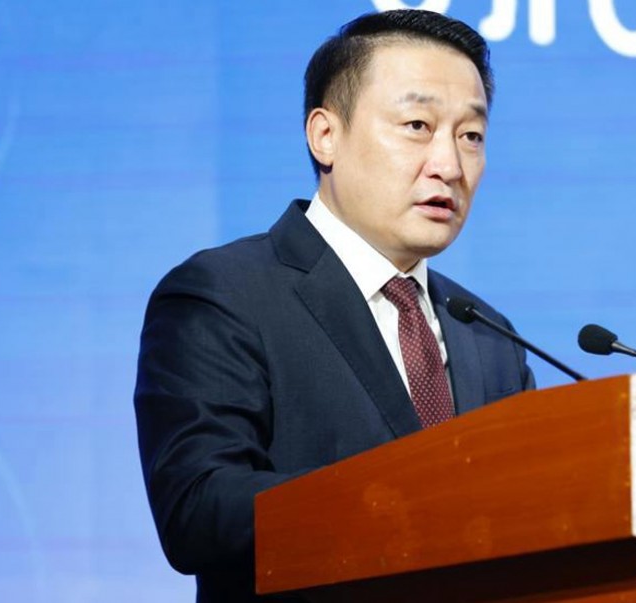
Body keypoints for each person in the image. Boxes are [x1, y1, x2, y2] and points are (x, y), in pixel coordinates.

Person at [134, 9, 535, 602]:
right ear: (325, 136)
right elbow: (197, 510)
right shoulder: (223, 295)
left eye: (470, 136)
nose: (449, 166)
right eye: (418, 125)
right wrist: (414, 498)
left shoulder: (490, 336)